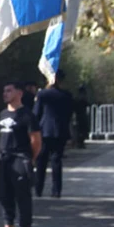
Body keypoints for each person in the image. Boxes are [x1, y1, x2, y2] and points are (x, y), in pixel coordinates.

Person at [0, 82, 41, 227]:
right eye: (4, 91)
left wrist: (30, 158)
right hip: (3, 159)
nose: (5, 93)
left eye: (9, 90)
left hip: (20, 158)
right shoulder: (2, 114)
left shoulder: (27, 115)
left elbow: (36, 140)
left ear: (19, 93)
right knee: (3, 193)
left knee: (22, 196)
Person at [33, 70, 73, 198]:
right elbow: (69, 114)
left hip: (45, 131)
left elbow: (36, 113)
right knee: (57, 161)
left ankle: (38, 188)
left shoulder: (42, 94)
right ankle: (56, 190)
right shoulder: (67, 95)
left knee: (41, 161)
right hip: (60, 131)